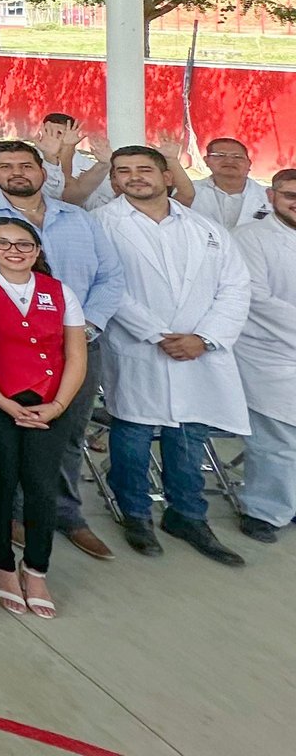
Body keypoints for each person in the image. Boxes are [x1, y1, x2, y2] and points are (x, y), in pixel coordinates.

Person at [0, 139, 126, 560]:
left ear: (43, 171)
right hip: (3, 348)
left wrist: (84, 326)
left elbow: (112, 276)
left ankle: (64, 512)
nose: (18, 173)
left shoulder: (80, 219)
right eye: (7, 166)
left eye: (26, 165)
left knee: (67, 432)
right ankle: (12, 513)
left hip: (76, 345)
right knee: (6, 436)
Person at [96, 146, 251, 566]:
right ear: (113, 181)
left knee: (188, 434)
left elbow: (235, 286)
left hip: (199, 350)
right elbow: (107, 284)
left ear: (168, 176)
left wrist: (205, 337)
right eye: (123, 171)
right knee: (133, 435)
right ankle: (136, 514)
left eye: (144, 169)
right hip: (139, 347)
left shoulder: (205, 228)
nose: (134, 177)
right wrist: (157, 334)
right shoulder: (101, 225)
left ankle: (188, 514)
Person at [0, 218, 91, 616]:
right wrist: (0, 400)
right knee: (1, 476)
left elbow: (76, 354)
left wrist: (57, 405)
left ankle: (36, 568)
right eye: (3, 243)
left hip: (50, 401)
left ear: (37, 250)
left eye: (24, 244)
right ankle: (3, 565)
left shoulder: (60, 292)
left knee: (41, 482)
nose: (14, 251)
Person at [234, 169, 296, 542]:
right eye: (290, 195)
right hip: (268, 353)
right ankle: (264, 510)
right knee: (276, 438)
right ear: (271, 197)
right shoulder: (249, 238)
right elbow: (256, 298)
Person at [189, 137, 271, 228]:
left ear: (249, 163)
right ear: (206, 161)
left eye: (237, 157)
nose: (229, 161)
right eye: (220, 155)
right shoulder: (189, 191)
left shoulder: (270, 196)